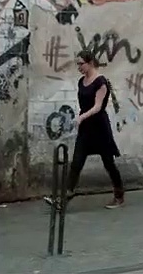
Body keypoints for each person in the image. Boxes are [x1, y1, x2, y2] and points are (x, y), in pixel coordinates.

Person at [44, 50, 125, 209]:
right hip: (86, 129)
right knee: (76, 162)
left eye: (81, 64)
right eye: (78, 64)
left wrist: (81, 117)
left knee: (108, 163)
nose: (79, 67)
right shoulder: (81, 81)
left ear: (90, 63)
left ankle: (119, 195)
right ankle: (64, 198)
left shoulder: (101, 82)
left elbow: (97, 106)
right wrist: (81, 119)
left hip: (100, 127)